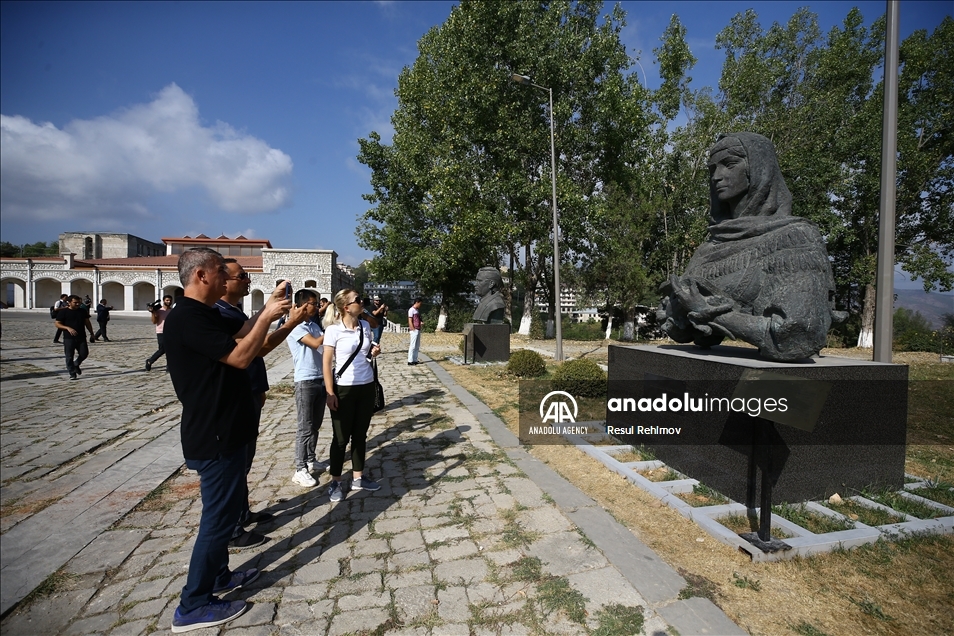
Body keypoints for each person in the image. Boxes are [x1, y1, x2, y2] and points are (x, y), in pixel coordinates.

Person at [164, 247, 290, 633]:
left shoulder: (204, 313)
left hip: (227, 430)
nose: (227, 277)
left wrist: (269, 311)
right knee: (218, 521)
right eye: (221, 270)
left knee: (224, 513)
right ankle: (193, 605)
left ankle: (219, 576)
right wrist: (267, 316)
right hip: (214, 434)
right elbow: (239, 357)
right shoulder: (187, 317)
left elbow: (243, 335)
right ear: (201, 275)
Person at [657, 132, 843, 361]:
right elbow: (689, 333)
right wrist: (675, 309)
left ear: (759, 168)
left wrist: (707, 312)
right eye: (712, 169)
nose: (717, 176)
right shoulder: (710, 246)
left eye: (729, 164)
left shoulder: (795, 238)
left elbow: (795, 336)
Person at [215, 259, 308, 548]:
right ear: (223, 281)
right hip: (232, 401)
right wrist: (290, 322)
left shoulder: (234, 311)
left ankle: (242, 513)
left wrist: (258, 389)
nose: (247, 279)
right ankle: (232, 529)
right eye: (242, 276)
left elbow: (255, 335)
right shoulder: (219, 314)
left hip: (249, 393)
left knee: (245, 461)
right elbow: (261, 347)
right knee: (233, 467)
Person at [322, 289, 382, 502]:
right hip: (344, 388)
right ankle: (336, 481)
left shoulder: (365, 326)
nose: (362, 302)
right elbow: (327, 363)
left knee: (360, 435)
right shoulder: (333, 331)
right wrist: (330, 392)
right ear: (346, 307)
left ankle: (358, 477)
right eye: (358, 300)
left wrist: (373, 352)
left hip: (366, 386)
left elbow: (364, 354)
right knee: (340, 438)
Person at [286, 289, 327, 488]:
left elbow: (324, 348)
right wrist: (333, 329)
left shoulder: (314, 325)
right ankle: (300, 468)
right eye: (313, 303)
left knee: (315, 425)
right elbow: (315, 343)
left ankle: (311, 460)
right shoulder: (296, 327)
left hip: (320, 378)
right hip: (305, 380)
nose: (317, 306)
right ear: (302, 305)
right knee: (305, 426)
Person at [54, 295, 94, 380]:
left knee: (84, 353)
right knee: (69, 356)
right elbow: (57, 324)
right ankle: (72, 373)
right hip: (69, 338)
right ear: (69, 302)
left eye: (79, 302)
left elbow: (87, 322)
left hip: (81, 336)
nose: (77, 304)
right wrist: (67, 328)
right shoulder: (63, 312)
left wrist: (92, 333)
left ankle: (76, 364)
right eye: (75, 302)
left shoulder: (82, 311)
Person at [146, 295, 173, 371]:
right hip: (161, 332)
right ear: (164, 301)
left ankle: (169, 366)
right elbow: (154, 321)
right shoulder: (159, 310)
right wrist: (153, 312)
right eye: (167, 300)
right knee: (162, 349)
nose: (169, 302)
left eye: (170, 300)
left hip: (170, 332)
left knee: (170, 349)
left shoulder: (172, 311)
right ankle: (150, 361)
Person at [407, 297, 423, 366]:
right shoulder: (411, 310)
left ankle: (415, 359)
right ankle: (410, 360)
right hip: (414, 329)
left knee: (417, 346)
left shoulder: (417, 310)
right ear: (417, 302)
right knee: (412, 345)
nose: (420, 305)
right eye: (420, 304)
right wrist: (412, 328)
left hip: (418, 329)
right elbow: (410, 320)